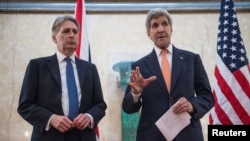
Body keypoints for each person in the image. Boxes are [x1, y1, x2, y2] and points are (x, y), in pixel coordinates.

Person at [122, 8, 214, 141]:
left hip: (188, 134)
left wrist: (192, 105)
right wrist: (136, 92)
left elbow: (207, 96)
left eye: (164, 24)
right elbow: (128, 108)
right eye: (155, 25)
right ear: (149, 33)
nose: (160, 29)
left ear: (171, 29)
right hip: (152, 136)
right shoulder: (139, 66)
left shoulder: (192, 60)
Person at [17, 15, 107, 141]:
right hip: (48, 136)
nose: (72, 35)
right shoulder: (37, 66)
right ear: (54, 38)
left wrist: (88, 116)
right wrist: (50, 118)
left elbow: (100, 105)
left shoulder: (90, 69)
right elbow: (24, 105)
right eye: (66, 31)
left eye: (75, 32)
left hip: (83, 136)